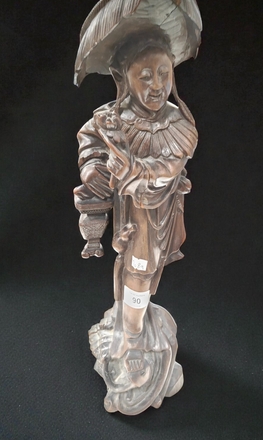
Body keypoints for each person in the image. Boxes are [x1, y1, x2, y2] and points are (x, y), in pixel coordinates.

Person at [74, 33, 198, 355]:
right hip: (126, 211)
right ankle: (128, 327)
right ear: (122, 78)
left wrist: (131, 168)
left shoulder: (178, 123)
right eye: (145, 76)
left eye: (164, 74)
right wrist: (93, 170)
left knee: (143, 268)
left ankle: (132, 332)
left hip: (157, 212)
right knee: (131, 267)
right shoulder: (111, 119)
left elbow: (169, 167)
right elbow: (90, 144)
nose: (156, 85)